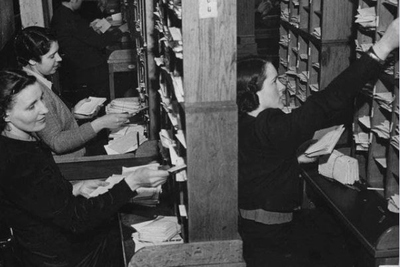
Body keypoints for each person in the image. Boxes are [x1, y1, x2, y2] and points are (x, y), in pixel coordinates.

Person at [236, 18, 399, 267]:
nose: (281, 86)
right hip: (270, 233)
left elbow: (259, 163)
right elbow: (329, 101)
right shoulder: (271, 126)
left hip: (252, 225)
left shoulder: (241, 120)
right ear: (253, 92)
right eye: (274, 81)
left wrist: (294, 160)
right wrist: (384, 46)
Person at [0, 69, 169, 266]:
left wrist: (74, 187)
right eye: (31, 107)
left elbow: (39, 197)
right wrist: (133, 181)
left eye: (41, 100)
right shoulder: (17, 162)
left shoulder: (23, 139)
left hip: (52, 244)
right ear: (5, 114)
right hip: (58, 257)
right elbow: (76, 220)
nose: (44, 110)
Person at [14, 26, 132, 158]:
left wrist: (72, 113)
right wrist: (100, 124)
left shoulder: (35, 80)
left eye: (58, 53)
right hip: (69, 163)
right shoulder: (35, 91)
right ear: (32, 60)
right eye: (52, 56)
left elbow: (51, 123)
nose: (59, 59)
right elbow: (56, 142)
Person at [51, 0, 126, 100]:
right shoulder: (69, 16)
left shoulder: (61, 13)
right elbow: (100, 42)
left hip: (74, 63)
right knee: (121, 79)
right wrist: (122, 30)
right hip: (84, 66)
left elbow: (82, 33)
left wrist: (97, 26)